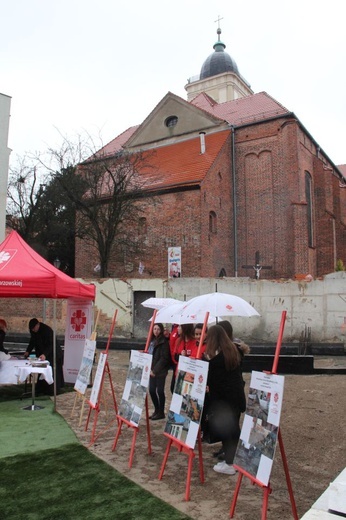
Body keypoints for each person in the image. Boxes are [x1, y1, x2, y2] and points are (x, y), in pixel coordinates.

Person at [203, 324, 246, 475]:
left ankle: (230, 463)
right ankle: (236, 459)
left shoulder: (217, 361)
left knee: (228, 432)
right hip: (235, 398)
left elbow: (212, 381)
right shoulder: (233, 352)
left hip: (224, 402)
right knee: (233, 430)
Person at [24, 318, 64, 395]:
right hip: (43, 354)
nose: (33, 330)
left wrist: (45, 354)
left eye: (34, 328)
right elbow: (32, 341)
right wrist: (28, 351)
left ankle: (53, 389)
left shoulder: (47, 330)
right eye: (32, 329)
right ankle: (42, 388)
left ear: (38, 325)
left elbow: (51, 344)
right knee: (42, 370)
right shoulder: (34, 331)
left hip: (53, 354)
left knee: (53, 372)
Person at [148, 323, 171, 420]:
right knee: (152, 390)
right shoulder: (152, 341)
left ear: (161, 330)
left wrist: (155, 370)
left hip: (160, 371)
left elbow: (164, 358)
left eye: (158, 329)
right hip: (151, 370)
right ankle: (157, 409)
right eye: (154, 329)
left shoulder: (164, 342)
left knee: (160, 390)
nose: (156, 331)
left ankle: (161, 411)